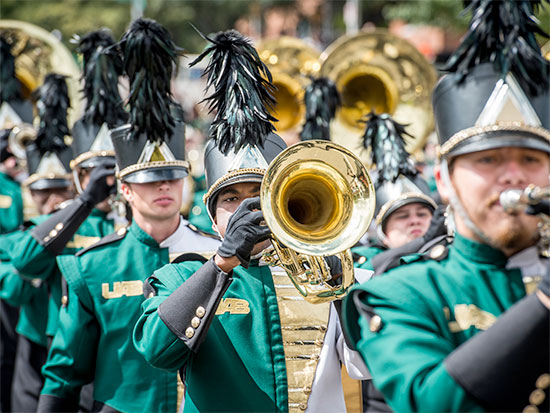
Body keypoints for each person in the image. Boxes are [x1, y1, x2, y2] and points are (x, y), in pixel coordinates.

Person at [133, 29, 369, 413]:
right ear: (211, 218)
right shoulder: (178, 277)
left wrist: (341, 289)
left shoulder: (325, 275)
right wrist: (223, 262)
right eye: (231, 199)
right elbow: (158, 352)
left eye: (260, 196)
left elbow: (368, 366)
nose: (248, 209)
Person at [343, 1, 550, 411]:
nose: (512, 176)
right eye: (488, 160)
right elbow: (431, 403)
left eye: (531, 160)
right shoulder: (400, 291)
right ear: (443, 180)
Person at [36, 19, 220, 412]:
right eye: (151, 181)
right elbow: (64, 374)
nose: (164, 188)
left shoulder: (216, 256)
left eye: (172, 177)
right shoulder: (91, 266)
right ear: (124, 189)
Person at [352, 113, 440, 272]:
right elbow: (368, 271)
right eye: (403, 216)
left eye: (422, 214)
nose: (414, 221)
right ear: (382, 233)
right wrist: (423, 241)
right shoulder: (367, 258)